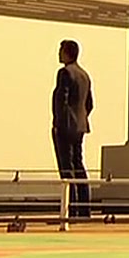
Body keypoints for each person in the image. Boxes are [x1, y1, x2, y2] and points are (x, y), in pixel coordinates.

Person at [51, 39, 93, 219]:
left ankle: (70, 209)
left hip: (65, 126)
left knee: (66, 168)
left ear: (68, 53)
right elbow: (89, 104)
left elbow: (62, 100)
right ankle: (84, 208)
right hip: (80, 126)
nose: (58, 54)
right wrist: (80, 118)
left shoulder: (65, 73)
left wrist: (59, 123)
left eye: (61, 50)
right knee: (79, 165)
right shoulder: (84, 75)